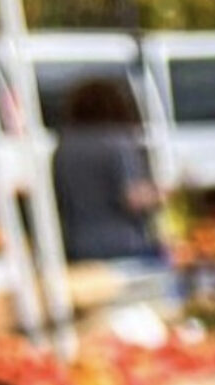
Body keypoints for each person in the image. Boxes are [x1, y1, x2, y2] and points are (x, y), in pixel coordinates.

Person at [51, 78, 160, 264]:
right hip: (124, 246)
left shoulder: (63, 147)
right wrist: (161, 195)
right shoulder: (118, 142)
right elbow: (133, 197)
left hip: (78, 246)